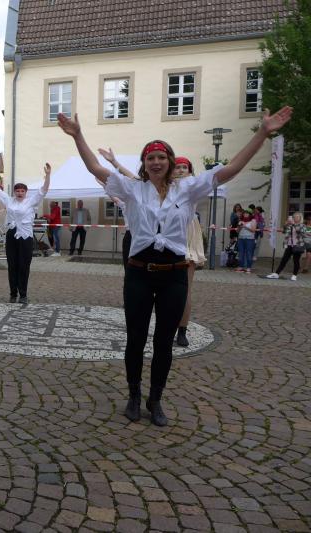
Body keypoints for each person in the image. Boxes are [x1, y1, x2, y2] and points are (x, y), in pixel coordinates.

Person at [57, 105, 292, 426]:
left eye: (161, 157)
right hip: (139, 273)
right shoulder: (132, 189)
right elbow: (95, 167)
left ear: (169, 161)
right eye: (150, 158)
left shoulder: (189, 188)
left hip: (174, 275)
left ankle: (155, 398)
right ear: (144, 164)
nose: (156, 162)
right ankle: (133, 394)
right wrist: (78, 135)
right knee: (136, 338)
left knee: (164, 341)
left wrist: (262, 134)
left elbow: (231, 169)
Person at [0, 164, 50, 304]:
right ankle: (13, 293)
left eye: (22, 191)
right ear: (14, 192)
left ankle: (23, 294)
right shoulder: (9, 200)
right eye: (17, 191)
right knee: (12, 265)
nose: (20, 193)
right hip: (12, 234)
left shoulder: (31, 201)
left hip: (25, 236)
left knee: (24, 266)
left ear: (26, 192)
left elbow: (43, 190)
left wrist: (48, 176)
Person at [266, 212, 306, 281]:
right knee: (284, 260)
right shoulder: (290, 225)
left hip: (297, 245)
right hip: (289, 245)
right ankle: (276, 274)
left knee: (296, 261)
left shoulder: (302, 225)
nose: (295, 218)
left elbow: (302, 233)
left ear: (300, 218)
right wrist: (286, 225)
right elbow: (284, 231)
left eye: (297, 217)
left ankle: (294, 275)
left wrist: (293, 225)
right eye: (294, 217)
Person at [235, 209, 257, 273]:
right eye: (244, 213)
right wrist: (239, 227)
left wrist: (245, 226)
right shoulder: (241, 220)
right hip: (241, 238)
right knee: (241, 253)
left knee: (249, 253)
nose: (245, 214)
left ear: (250, 214)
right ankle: (241, 266)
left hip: (250, 239)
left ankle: (248, 267)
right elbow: (237, 231)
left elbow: (253, 230)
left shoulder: (253, 220)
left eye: (247, 213)